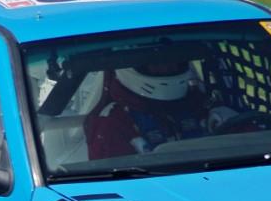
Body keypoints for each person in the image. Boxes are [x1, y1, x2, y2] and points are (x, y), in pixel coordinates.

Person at [84, 61, 237, 160]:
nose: (167, 68)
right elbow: (116, 180)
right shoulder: (112, 120)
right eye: (155, 64)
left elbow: (246, 138)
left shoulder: (202, 103)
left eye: (174, 62)